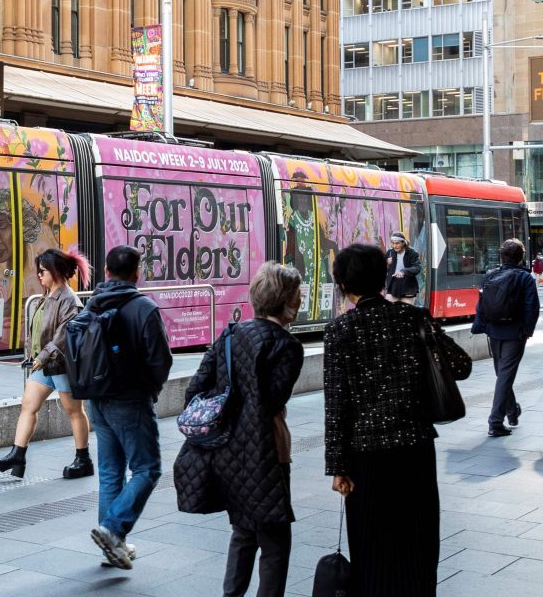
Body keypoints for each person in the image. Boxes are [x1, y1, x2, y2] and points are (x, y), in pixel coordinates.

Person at [325, 244, 470, 595]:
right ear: (383, 279)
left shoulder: (340, 330)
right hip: (415, 450)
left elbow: (337, 405)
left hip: (365, 458)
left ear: (342, 284)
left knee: (372, 545)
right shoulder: (413, 318)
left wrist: (338, 467)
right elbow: (461, 365)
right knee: (417, 542)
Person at [174, 263, 305, 597]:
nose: (301, 298)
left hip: (225, 449)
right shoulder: (287, 345)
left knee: (244, 531)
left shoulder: (230, 335)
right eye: (297, 293)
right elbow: (271, 401)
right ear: (286, 300)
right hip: (266, 451)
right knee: (275, 540)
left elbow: (195, 390)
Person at [82, 246, 172, 570]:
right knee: (148, 469)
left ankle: (113, 545)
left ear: (106, 272)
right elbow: (161, 360)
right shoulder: (144, 308)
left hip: (97, 398)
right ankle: (112, 529)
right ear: (137, 273)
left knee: (110, 472)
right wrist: (151, 388)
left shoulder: (92, 303)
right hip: (131, 399)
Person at [0, 248, 95, 479]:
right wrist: (34, 355)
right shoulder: (47, 296)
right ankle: (17, 455)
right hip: (44, 364)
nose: (39, 275)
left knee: (74, 411)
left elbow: (63, 336)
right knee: (28, 406)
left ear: (56, 272)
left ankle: (83, 459)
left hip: (62, 365)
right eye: (38, 271)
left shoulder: (68, 300)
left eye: (43, 271)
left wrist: (42, 357)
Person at [471, 239, 539, 437]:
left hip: (493, 331)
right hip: (514, 332)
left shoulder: (490, 275)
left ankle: (512, 411)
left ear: (501, 256)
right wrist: (526, 331)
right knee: (505, 375)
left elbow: (481, 305)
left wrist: (482, 326)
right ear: (521, 257)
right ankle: (495, 422)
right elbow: (531, 307)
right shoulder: (525, 278)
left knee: (502, 373)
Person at [384, 232, 421, 304]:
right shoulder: (390, 252)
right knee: (390, 308)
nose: (394, 246)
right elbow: (379, 267)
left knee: (406, 310)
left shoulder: (412, 253)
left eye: (397, 243)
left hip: (408, 285)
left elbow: (417, 268)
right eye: (393, 243)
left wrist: (403, 272)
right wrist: (386, 262)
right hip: (393, 285)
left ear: (403, 242)